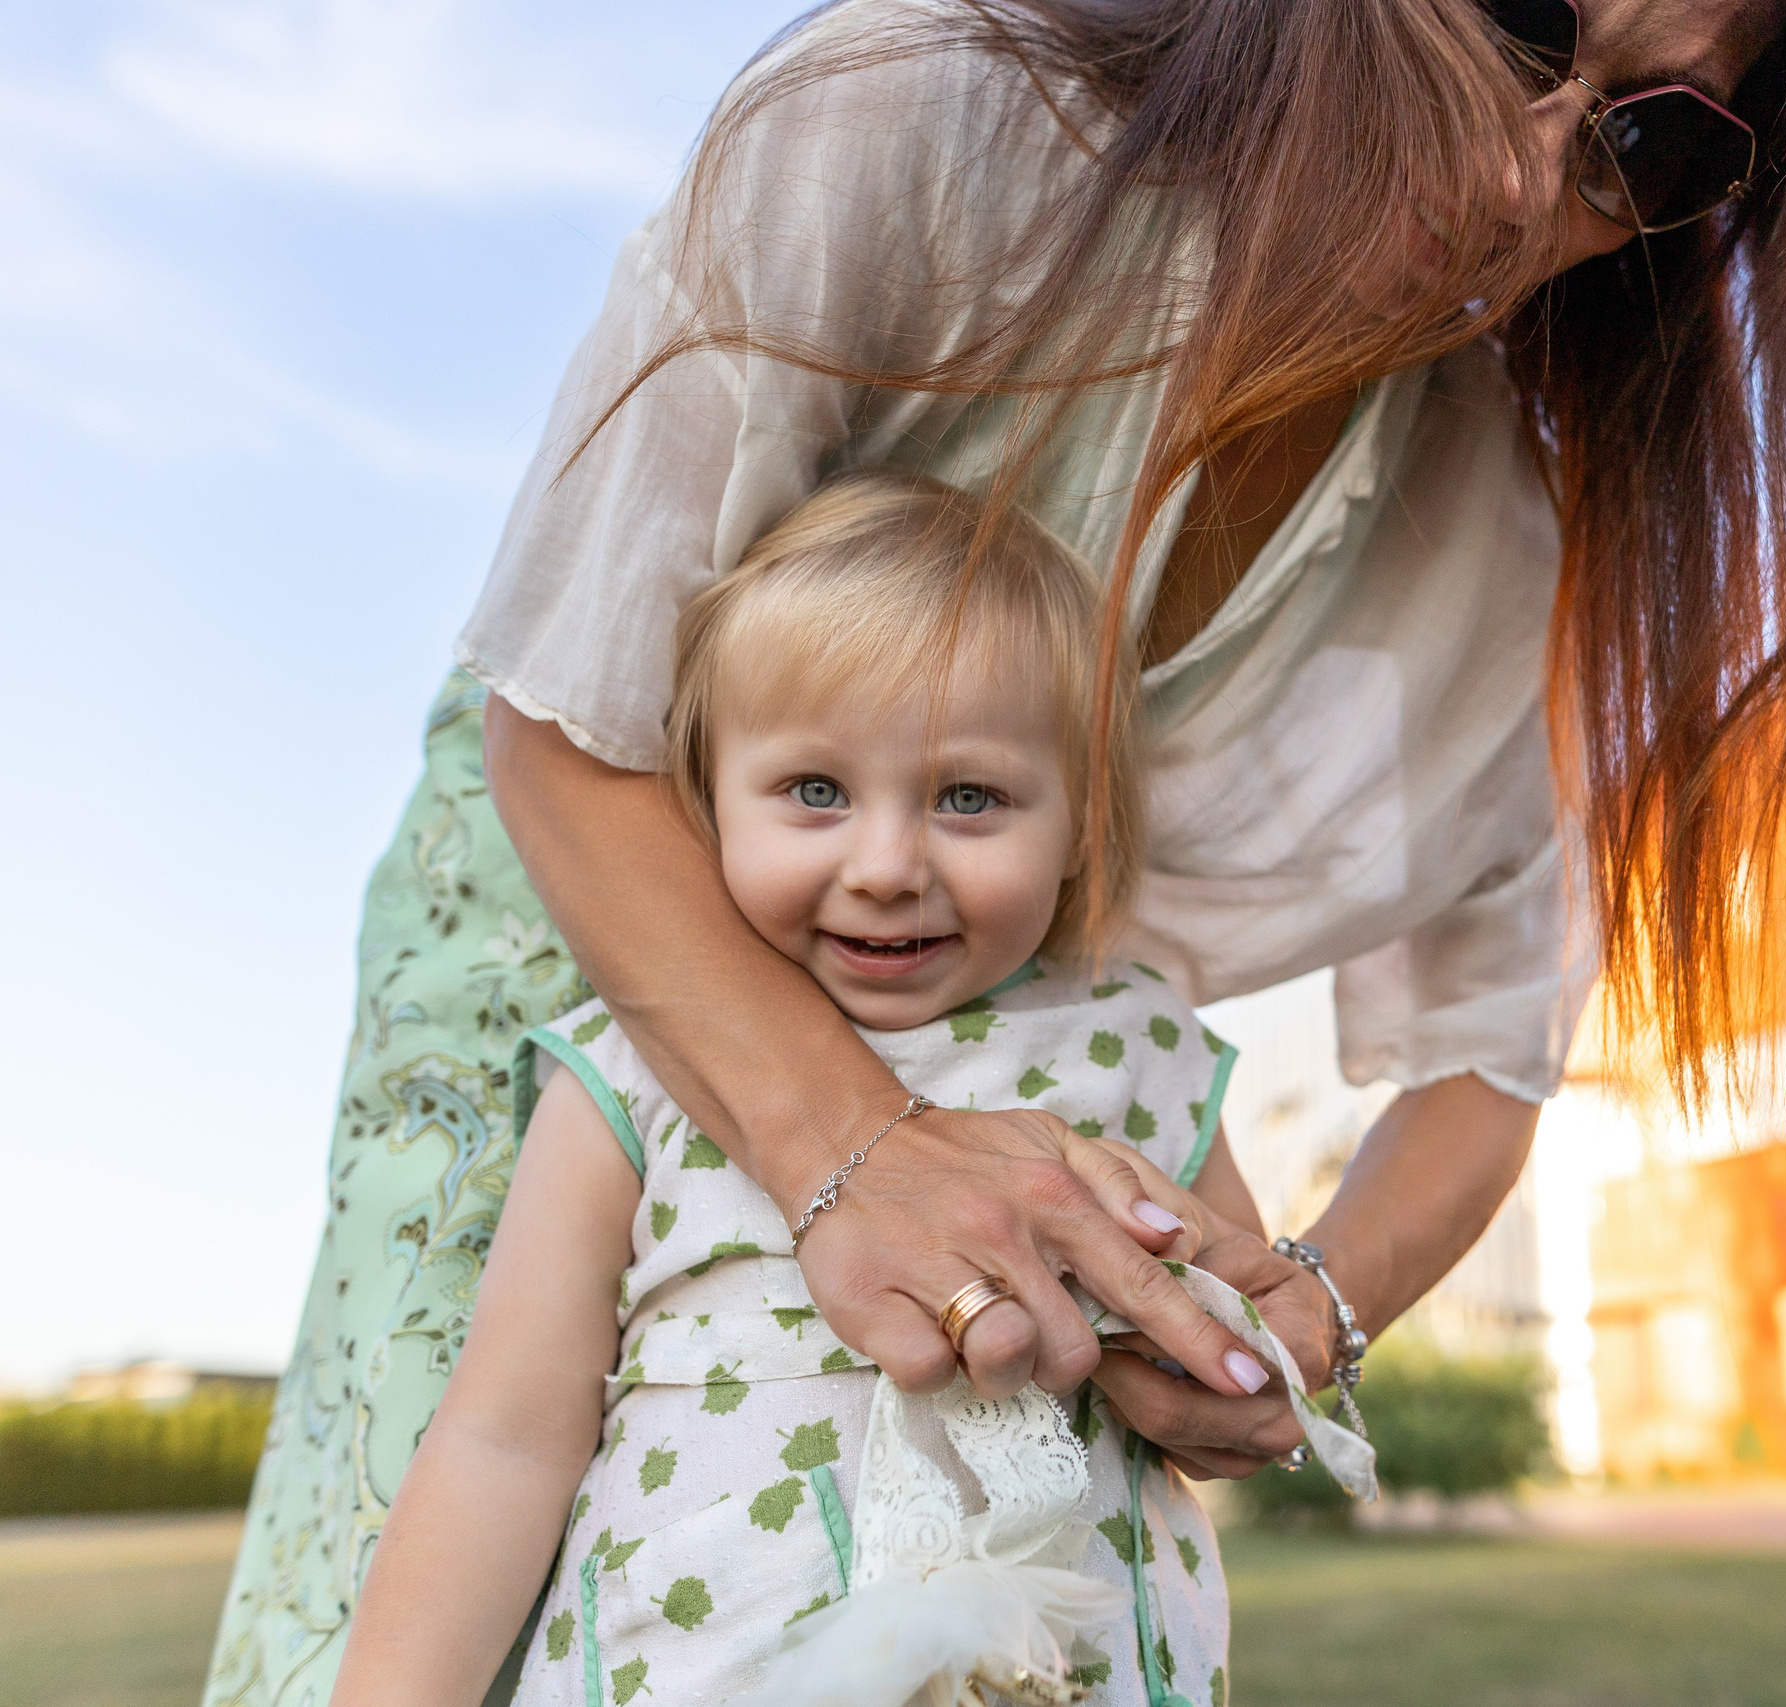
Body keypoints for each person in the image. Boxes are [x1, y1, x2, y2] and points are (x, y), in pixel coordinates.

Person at [210, 2, 1786, 1699]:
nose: (1527, 175)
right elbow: (571, 732)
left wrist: (1309, 1302)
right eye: (1515, 19)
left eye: (1646, 143)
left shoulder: (1491, 553)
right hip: (589, 934)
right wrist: (842, 1137)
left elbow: (1491, 1054)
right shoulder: (921, 121)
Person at [328, 471, 1374, 1707]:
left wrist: (1246, 1351)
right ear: (705, 802)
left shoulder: (1140, 1049)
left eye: (968, 797)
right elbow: (505, 1435)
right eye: (815, 791)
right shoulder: (638, 1064)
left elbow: (1221, 1352)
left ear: (1080, 826)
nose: (886, 866)